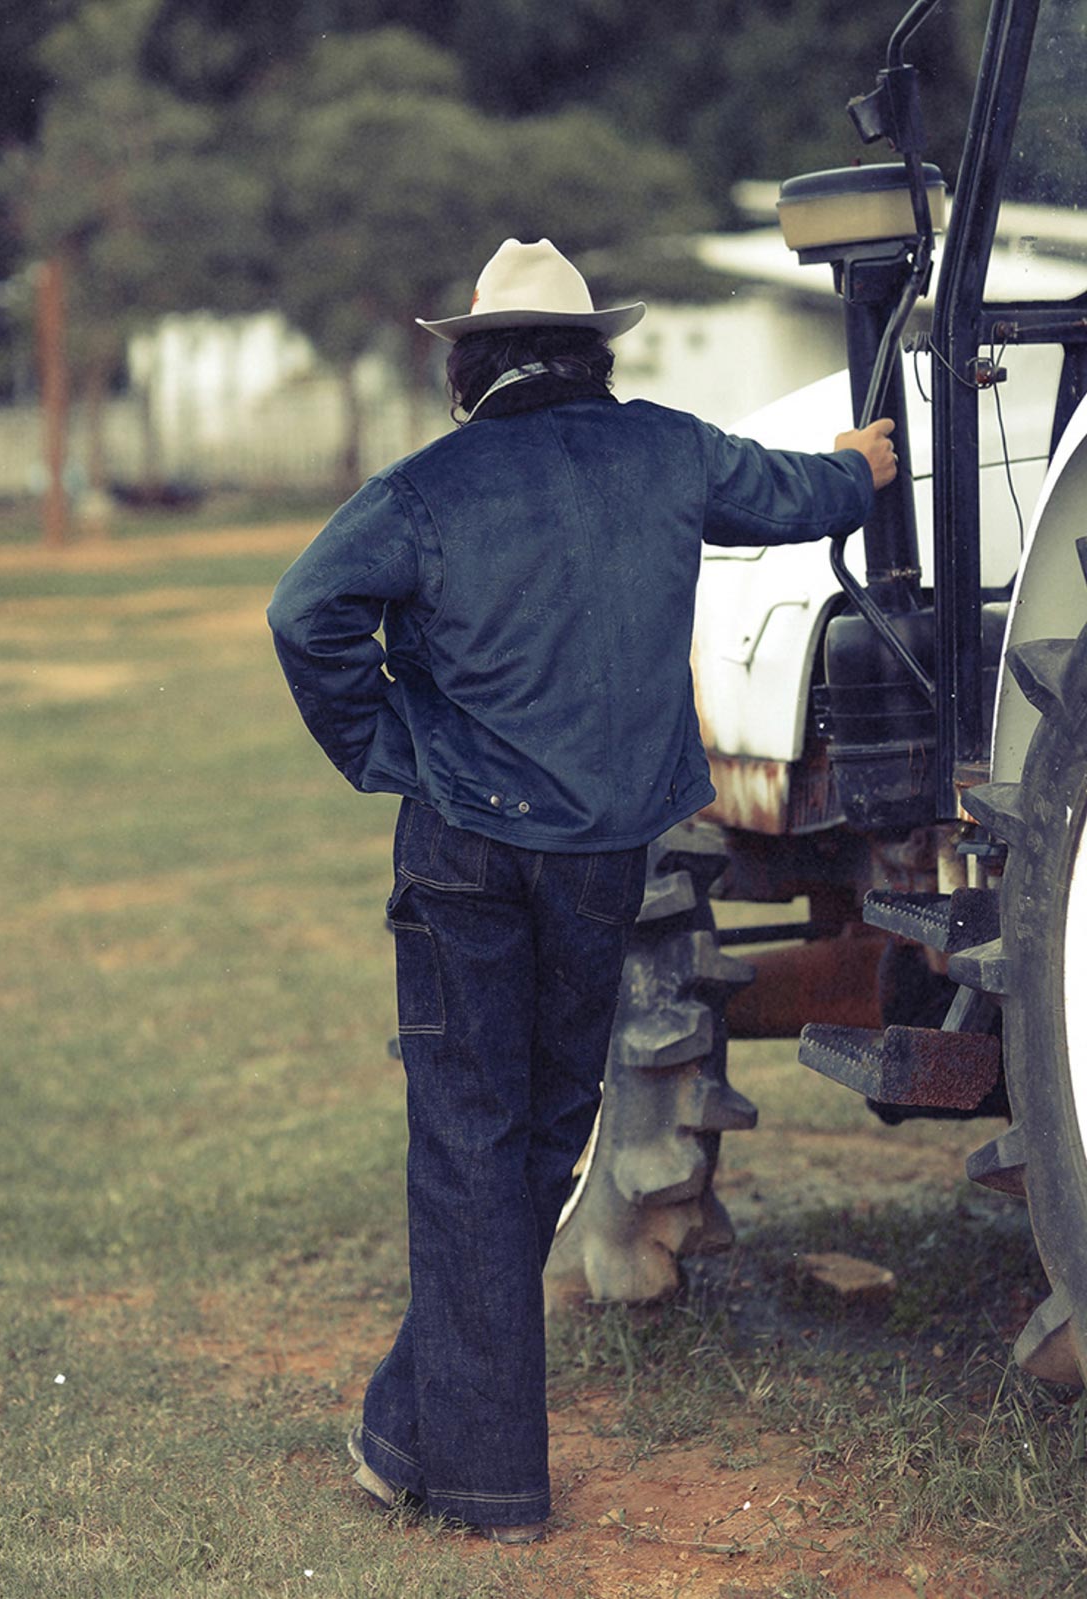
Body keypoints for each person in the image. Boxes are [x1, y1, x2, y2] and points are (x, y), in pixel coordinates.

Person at [266, 237, 897, 1545]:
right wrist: (864, 467)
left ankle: (479, 1485)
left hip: (467, 856)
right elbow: (794, 497)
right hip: (605, 857)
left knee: (470, 1145)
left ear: (470, 364)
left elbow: (304, 613)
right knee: (544, 1131)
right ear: (590, 355)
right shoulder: (668, 451)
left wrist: (391, 747)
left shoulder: (428, 487)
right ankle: (402, 1432)